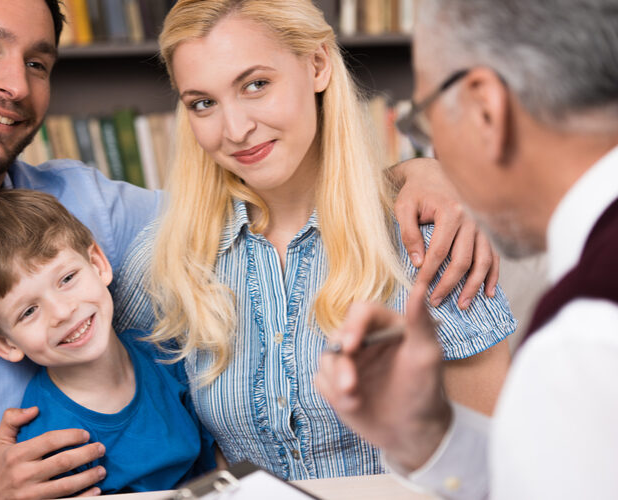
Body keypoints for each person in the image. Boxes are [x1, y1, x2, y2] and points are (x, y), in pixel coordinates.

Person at [0, 0, 501, 498]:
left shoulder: (99, 217)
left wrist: (423, 173)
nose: (14, 82)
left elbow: (276, 191)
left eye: (37, 61)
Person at [113, 0, 515, 481]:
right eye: (204, 103)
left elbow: (501, 465)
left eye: (256, 84)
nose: (236, 130)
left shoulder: (428, 239)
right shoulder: (166, 260)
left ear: (318, 65)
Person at [314, 0, 618, 498]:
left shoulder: (582, 340)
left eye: (427, 121)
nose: (436, 159)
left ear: (485, 109)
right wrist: (429, 436)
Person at [0, 189, 216, 493]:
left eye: (67, 279)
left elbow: (218, 458)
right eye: (28, 311)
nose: (63, 312)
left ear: (98, 264)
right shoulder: (47, 442)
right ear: (6, 344)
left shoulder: (166, 353)